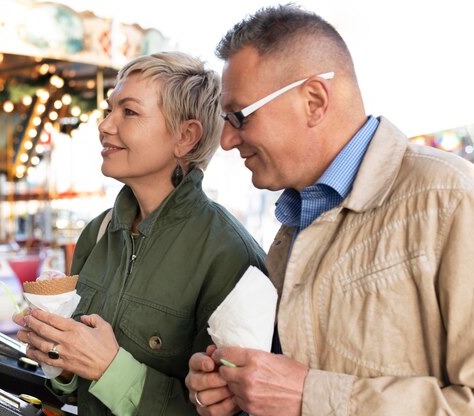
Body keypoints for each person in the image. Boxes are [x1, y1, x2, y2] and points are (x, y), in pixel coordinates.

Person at [185, 4, 474, 416]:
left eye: (238, 116)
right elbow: (288, 380)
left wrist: (308, 396)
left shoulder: (450, 199)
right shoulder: (293, 225)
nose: (227, 140)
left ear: (315, 100)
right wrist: (235, 387)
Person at [13, 51, 267, 415]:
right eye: (109, 109)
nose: (105, 125)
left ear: (186, 137)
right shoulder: (97, 233)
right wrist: (61, 359)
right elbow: (72, 392)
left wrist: (109, 368)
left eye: (129, 112)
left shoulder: (232, 257)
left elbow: (232, 411)